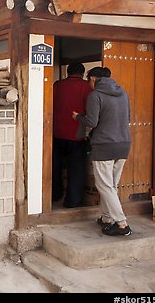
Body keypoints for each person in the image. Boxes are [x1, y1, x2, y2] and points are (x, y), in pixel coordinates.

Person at [72, 66, 132, 236]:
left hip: (104, 145)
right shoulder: (123, 94)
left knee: (104, 185)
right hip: (123, 144)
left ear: (93, 79)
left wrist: (77, 117)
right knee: (111, 185)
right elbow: (128, 118)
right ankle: (107, 218)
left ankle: (121, 224)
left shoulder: (95, 95)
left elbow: (92, 121)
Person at [52, 62, 93, 208]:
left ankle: (54, 194)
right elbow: (90, 111)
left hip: (56, 132)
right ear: (82, 73)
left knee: (55, 166)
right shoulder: (86, 87)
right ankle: (73, 201)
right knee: (76, 169)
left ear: (68, 72)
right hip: (77, 134)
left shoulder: (57, 85)